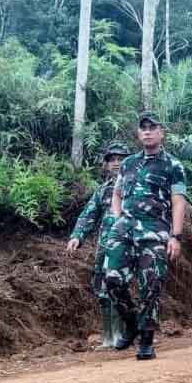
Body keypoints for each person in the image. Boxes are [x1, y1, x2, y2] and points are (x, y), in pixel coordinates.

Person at [102, 112, 188, 361]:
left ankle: (147, 340)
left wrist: (176, 236)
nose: (147, 131)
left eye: (153, 128)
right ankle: (132, 324)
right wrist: (118, 217)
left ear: (162, 133)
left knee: (151, 283)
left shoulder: (173, 165)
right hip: (125, 229)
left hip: (154, 231)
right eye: (143, 128)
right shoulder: (128, 163)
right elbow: (117, 194)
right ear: (139, 134)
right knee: (112, 278)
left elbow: (178, 200)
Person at [66, 142, 131, 350]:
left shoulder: (135, 186)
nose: (116, 163)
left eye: (120, 158)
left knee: (120, 289)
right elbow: (89, 215)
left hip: (127, 246)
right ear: (106, 165)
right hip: (105, 247)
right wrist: (77, 236)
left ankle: (123, 333)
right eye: (112, 159)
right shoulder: (103, 191)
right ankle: (108, 338)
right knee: (102, 291)